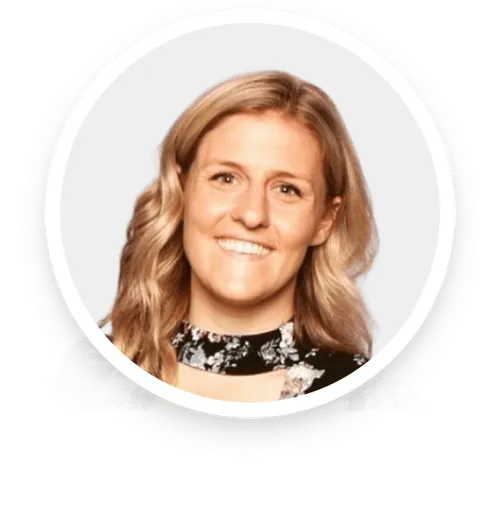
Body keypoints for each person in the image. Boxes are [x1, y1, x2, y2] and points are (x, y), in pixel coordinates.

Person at [58, 71, 424, 411]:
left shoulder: (374, 405)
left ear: (325, 221)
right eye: (226, 178)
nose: (251, 215)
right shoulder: (89, 379)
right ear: (182, 190)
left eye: (286, 189)